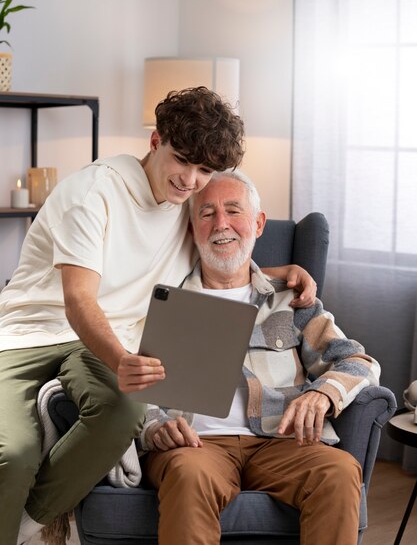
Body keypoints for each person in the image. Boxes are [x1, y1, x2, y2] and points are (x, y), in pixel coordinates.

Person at [0, 87, 316, 545]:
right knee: (12, 453)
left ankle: (28, 523)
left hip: (110, 338)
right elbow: (80, 302)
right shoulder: (92, 192)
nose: (190, 180)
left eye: (204, 170)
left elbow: (219, 254)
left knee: (122, 412)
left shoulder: (187, 207)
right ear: (155, 141)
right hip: (29, 334)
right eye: (182, 160)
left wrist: (278, 271)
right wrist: (122, 361)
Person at [140, 169, 381, 545]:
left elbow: (360, 363)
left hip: (283, 443)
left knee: (339, 471)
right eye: (206, 214)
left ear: (258, 223)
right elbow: (131, 379)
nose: (221, 224)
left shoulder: (292, 300)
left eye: (233, 211)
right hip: (196, 447)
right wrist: (154, 426)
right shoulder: (164, 300)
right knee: (188, 475)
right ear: (192, 229)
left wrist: (323, 393)